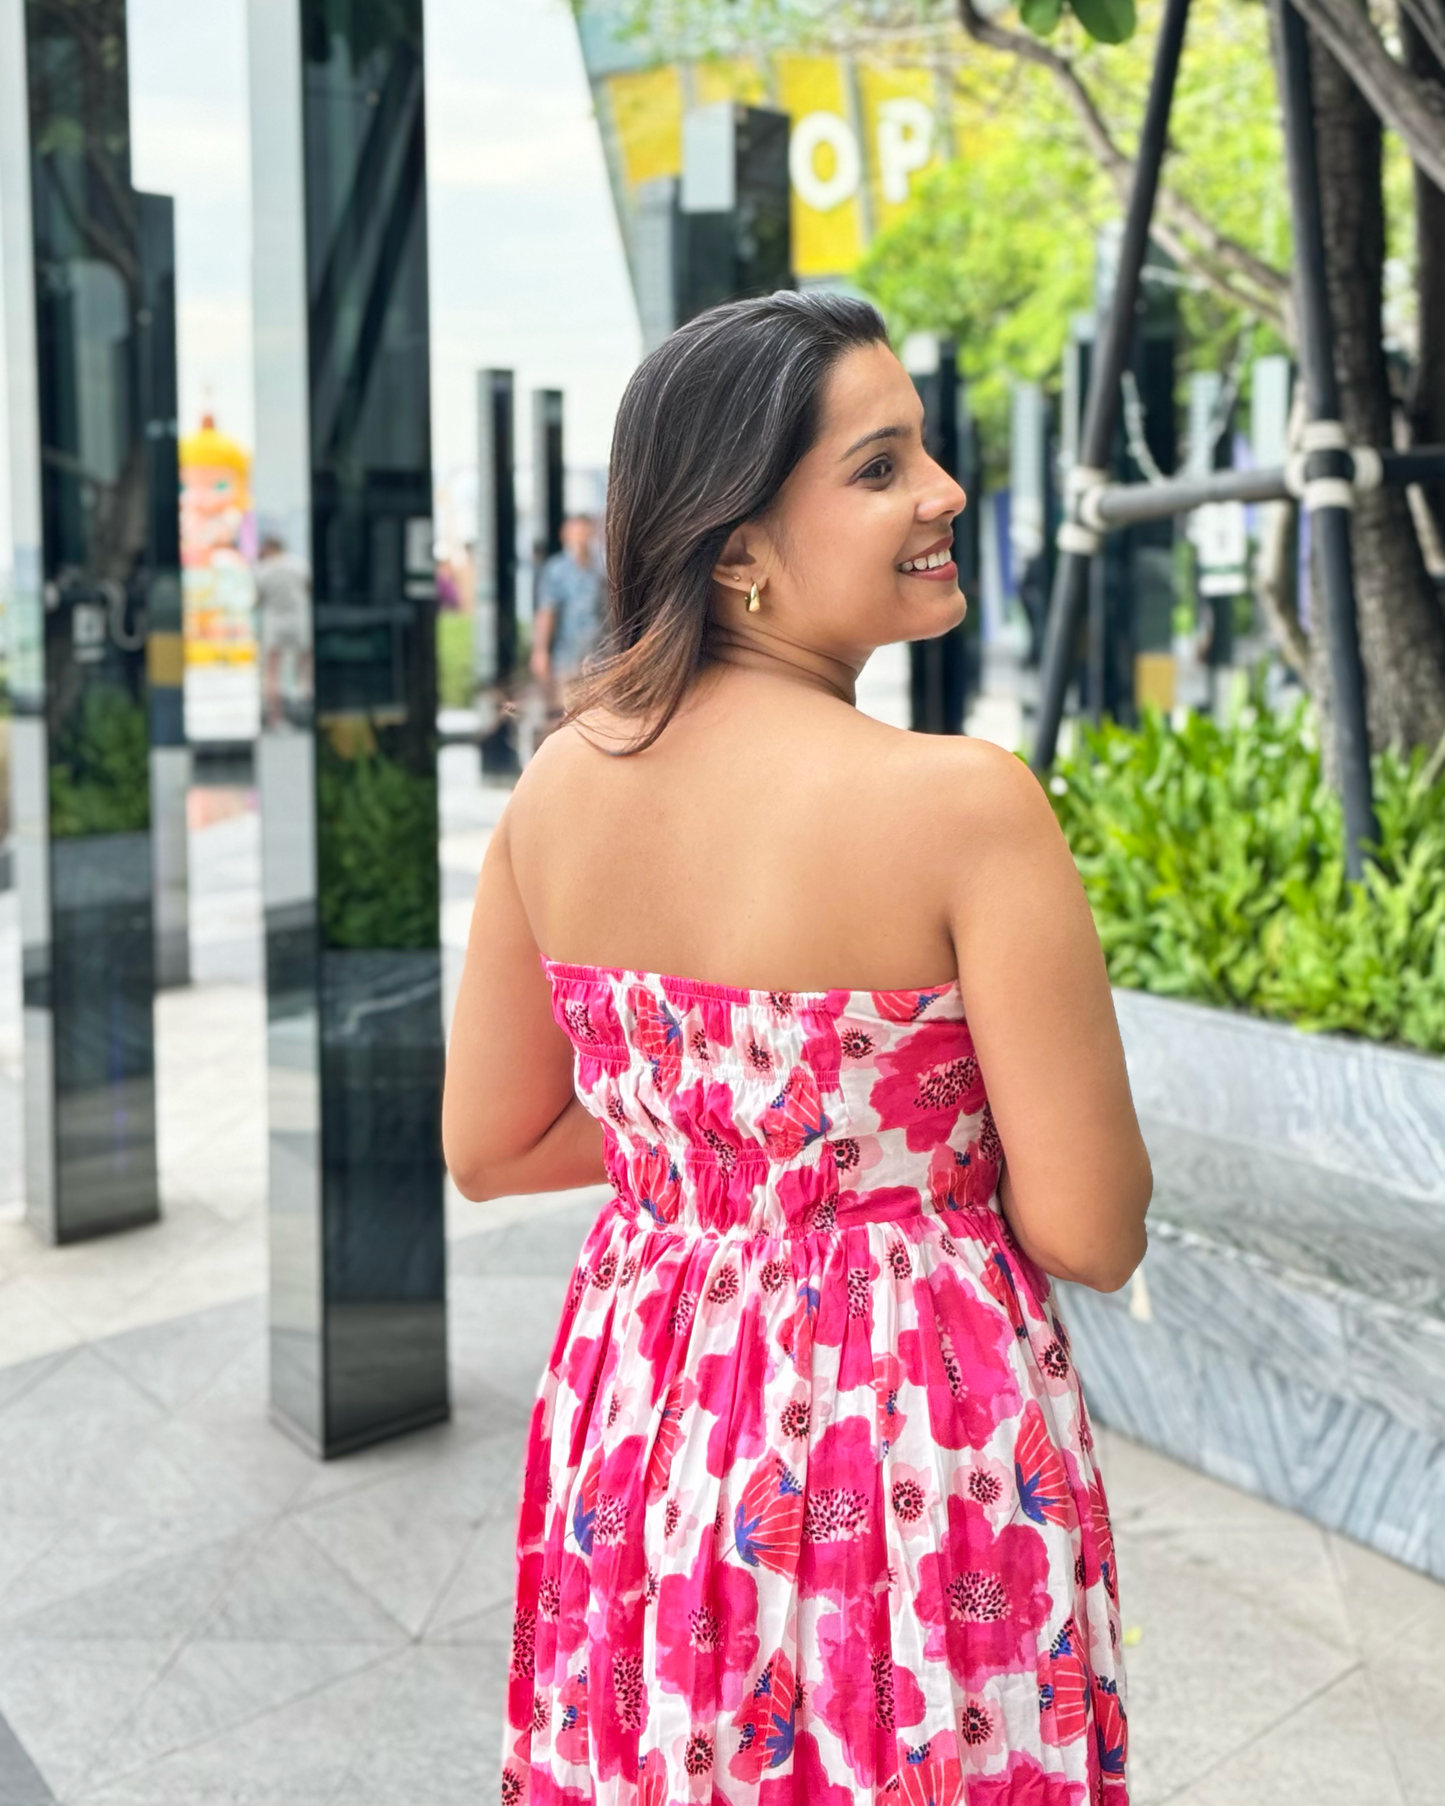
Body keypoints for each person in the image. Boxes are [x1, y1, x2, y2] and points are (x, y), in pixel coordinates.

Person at [444, 292, 1151, 1803]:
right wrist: (874, 1173)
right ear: (739, 545)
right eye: (880, 465)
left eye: (925, 454)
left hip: (644, 1425)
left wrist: (724, 1165)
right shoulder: (964, 807)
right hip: (914, 1447)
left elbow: (491, 1142)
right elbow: (1089, 1224)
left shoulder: (561, 785)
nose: (944, 491)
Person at [530, 513, 604, 721]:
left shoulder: (601, 570)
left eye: (585, 531)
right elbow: (547, 612)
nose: (581, 537)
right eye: (576, 531)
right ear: (566, 535)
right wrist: (540, 650)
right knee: (568, 711)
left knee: (597, 712)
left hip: (599, 654)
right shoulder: (556, 570)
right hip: (567, 655)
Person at [254, 531, 312, 729]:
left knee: (272, 672)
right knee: (306, 667)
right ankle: (307, 709)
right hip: (300, 620)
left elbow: (257, 599)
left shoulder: (262, 569)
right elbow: (309, 589)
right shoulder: (299, 565)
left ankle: (276, 718)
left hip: (275, 623)